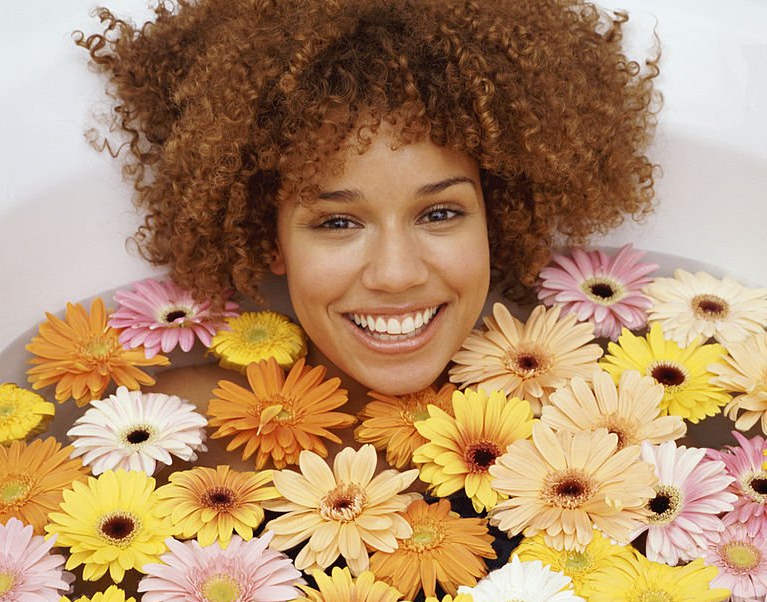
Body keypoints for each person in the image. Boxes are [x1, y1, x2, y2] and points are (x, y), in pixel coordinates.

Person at [76, 0, 659, 398]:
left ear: (496, 217)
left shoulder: (601, 408)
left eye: (439, 213)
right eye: (336, 222)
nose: (396, 274)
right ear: (266, 234)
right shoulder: (171, 432)